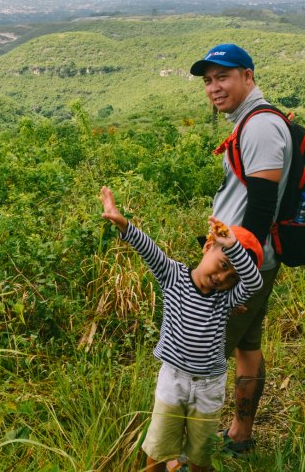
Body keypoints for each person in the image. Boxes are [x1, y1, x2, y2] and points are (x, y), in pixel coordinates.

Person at [99, 186, 263, 472]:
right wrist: (122, 222)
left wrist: (234, 246)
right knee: (158, 452)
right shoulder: (173, 275)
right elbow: (149, 249)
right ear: (208, 246)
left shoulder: (227, 297)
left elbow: (255, 283)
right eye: (223, 264)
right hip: (172, 381)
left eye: (231, 276)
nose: (222, 277)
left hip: (208, 386)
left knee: (201, 457)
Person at [189, 43, 292, 455]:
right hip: (251, 262)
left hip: (240, 265)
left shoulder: (261, 127)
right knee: (248, 347)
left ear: (248, 77)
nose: (214, 88)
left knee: (202, 355)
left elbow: (263, 205)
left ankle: (190, 450)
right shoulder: (250, 122)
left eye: (223, 77)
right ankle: (240, 434)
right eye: (208, 81)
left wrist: (234, 271)